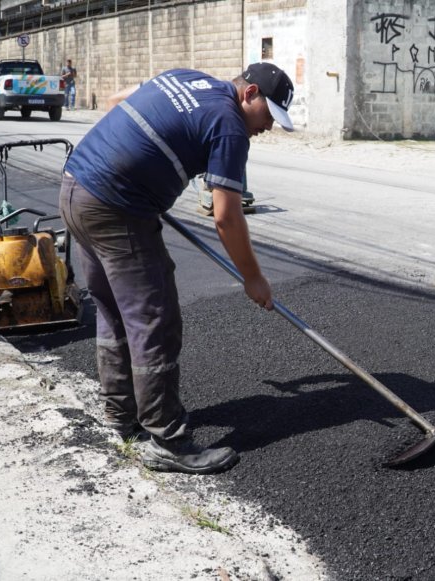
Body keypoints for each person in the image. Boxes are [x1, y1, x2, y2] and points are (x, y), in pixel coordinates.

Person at [58, 63, 295, 475]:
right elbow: (226, 217)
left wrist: (141, 164)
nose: (269, 128)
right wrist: (252, 277)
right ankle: (168, 441)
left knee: (115, 312)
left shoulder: (186, 77)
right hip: (116, 207)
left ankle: (121, 415)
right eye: (269, 115)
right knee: (155, 320)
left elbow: (119, 103)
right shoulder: (230, 125)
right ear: (250, 93)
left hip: (76, 187)